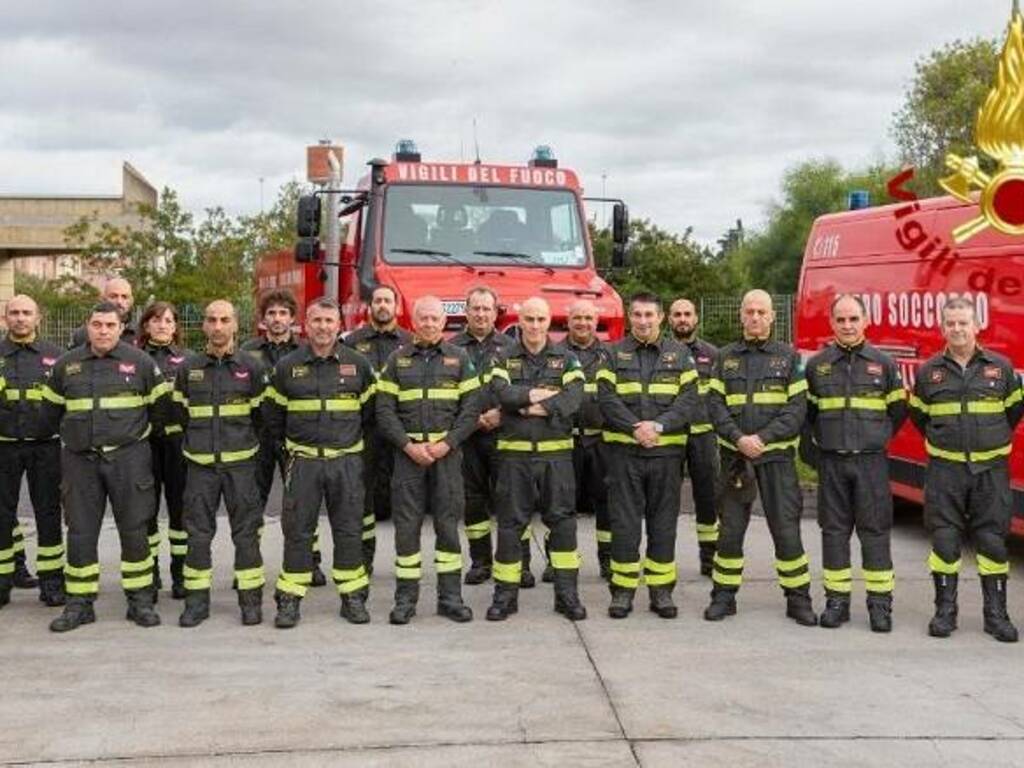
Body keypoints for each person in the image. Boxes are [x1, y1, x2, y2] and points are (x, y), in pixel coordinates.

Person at [42, 301, 171, 631]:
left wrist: (133, 439)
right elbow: (50, 412)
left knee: (135, 531)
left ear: (121, 328)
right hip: (80, 461)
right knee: (81, 532)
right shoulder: (65, 365)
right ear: (87, 326)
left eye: (109, 325)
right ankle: (80, 604)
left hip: (129, 459)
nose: (102, 331)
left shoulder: (140, 362)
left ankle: (140, 601)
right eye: (97, 324)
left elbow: (161, 411)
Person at [909, 297, 1023, 642]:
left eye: (963, 323)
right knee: (944, 542)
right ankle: (945, 612)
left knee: (992, 542)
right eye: (951, 323)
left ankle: (996, 615)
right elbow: (920, 417)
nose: (957, 329)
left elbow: (1013, 415)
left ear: (977, 326)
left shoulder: (1001, 369)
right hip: (946, 473)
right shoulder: (929, 373)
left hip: (990, 472)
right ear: (942, 328)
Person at [705, 289, 816, 626]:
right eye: (749, 311)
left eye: (761, 312)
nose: (754, 317)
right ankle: (723, 597)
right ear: (741, 316)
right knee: (730, 532)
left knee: (786, 531)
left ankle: (798, 600)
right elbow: (715, 407)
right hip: (736, 460)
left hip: (776, 460)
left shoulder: (789, 358)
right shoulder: (724, 358)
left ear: (772, 317)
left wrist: (762, 439)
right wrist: (739, 439)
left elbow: (796, 410)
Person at [269, 298, 376, 628]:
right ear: (306, 324)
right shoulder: (287, 367)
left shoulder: (358, 365)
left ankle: (352, 597)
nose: (323, 327)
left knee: (348, 531)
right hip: (303, 464)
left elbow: (371, 418)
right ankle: (289, 600)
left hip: (346, 463)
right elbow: (273, 419)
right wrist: (289, 456)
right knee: (298, 533)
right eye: (317, 320)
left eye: (329, 321)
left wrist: (357, 459)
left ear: (339, 325)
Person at [802, 295, 907, 632]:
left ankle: (880, 606)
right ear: (832, 324)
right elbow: (808, 415)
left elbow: (898, 412)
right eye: (841, 320)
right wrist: (817, 456)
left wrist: (876, 438)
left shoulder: (884, 364)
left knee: (875, 532)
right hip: (831, 463)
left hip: (870, 464)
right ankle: (837, 603)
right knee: (833, 533)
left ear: (866, 321)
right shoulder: (817, 366)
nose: (847, 326)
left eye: (853, 319)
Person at [376, 296, 481, 625]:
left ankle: (450, 598)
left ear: (443, 322)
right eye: (424, 318)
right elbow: (384, 410)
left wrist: (446, 444)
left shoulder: (459, 358)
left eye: (435, 318)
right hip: (408, 458)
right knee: (406, 529)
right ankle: (405, 600)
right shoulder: (397, 360)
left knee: (448, 527)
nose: (430, 324)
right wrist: (408, 445)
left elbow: (471, 409)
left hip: (446, 458)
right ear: (414, 321)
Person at [597, 291, 698, 619]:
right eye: (637, 315)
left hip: (665, 454)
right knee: (624, 524)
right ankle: (622, 592)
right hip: (624, 454)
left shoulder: (681, 355)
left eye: (649, 315)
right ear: (630, 316)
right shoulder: (612, 355)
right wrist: (634, 429)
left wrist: (658, 426)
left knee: (663, 523)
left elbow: (688, 400)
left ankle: (660, 592)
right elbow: (606, 398)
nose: (643, 321)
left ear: (661, 318)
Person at [486, 297, 586, 621]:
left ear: (549, 322)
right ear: (520, 319)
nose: (534, 325)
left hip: (556, 457)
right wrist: (536, 395)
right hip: (514, 458)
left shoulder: (567, 358)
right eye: (528, 319)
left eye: (541, 319)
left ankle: (567, 596)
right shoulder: (502, 356)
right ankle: (505, 596)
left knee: (563, 524)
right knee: (510, 526)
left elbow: (573, 399)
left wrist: (527, 406)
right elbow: (501, 393)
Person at [173, 300, 267, 627]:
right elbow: (179, 414)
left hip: (241, 467)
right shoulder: (188, 369)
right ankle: (197, 603)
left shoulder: (252, 368)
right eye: (211, 320)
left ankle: (251, 602)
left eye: (224, 320)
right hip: (200, 467)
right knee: (197, 535)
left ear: (235, 326)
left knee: (246, 535)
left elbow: (262, 417)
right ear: (203, 326)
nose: (217, 326)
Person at [241, 290, 324, 583]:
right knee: (253, 502)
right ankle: (249, 565)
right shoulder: (247, 351)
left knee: (302, 501)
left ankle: (310, 563)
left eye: (283, 313)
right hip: (258, 437)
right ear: (263, 319)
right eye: (272, 314)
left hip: (294, 436)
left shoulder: (305, 351)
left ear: (292, 318)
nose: (277, 319)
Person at [0, 295, 66, 609]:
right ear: (5, 318)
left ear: (38, 318)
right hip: (4, 446)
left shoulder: (58, 357)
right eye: (14, 313)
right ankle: (3, 582)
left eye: (27, 313)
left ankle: (52, 582)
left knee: (49, 515)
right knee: (1, 516)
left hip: (46, 447)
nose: (20, 318)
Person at [343, 284, 412, 571]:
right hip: (366, 431)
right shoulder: (352, 342)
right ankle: (364, 559)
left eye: (388, 300)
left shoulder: (410, 342)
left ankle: (406, 561)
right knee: (364, 496)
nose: (382, 305)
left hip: (400, 431)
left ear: (396, 307)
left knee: (406, 497)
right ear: (370, 306)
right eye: (378, 301)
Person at [450, 287, 515, 585]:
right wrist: (471, 420)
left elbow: (521, 388)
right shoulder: (451, 349)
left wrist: (502, 413)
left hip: (505, 433)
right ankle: (480, 562)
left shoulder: (511, 347)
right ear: (466, 312)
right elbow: (447, 396)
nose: (480, 314)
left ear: (495, 312)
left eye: (486, 309)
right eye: (475, 308)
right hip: (468, 438)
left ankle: (517, 562)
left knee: (510, 500)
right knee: (472, 500)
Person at [137, 301, 190, 599]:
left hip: (179, 446)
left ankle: (180, 573)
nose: (161, 325)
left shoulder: (189, 360)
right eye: (156, 320)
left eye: (167, 320)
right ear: (146, 325)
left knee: (180, 512)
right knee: (146, 511)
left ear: (175, 326)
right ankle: (151, 572)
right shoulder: (134, 359)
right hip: (144, 445)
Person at [669, 297, 721, 576]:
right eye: (677, 314)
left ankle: (709, 557)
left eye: (687, 314)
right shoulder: (660, 352)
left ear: (696, 318)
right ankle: (663, 558)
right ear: (669, 319)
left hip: (703, 437)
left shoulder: (712, 355)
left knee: (708, 498)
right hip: (671, 438)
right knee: (665, 499)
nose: (682, 319)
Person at [562, 299, 612, 580]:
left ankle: (606, 558)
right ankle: (560, 558)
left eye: (588, 318)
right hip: (565, 442)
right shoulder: (554, 353)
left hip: (601, 441)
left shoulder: (610, 354)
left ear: (596, 321)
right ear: (568, 321)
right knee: (561, 504)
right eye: (577, 318)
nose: (583, 323)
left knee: (606, 504)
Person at [68, 277, 136, 348]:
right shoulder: (82, 335)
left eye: (124, 297)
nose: (119, 301)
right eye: (113, 296)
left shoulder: (141, 334)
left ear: (131, 301)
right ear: (103, 299)